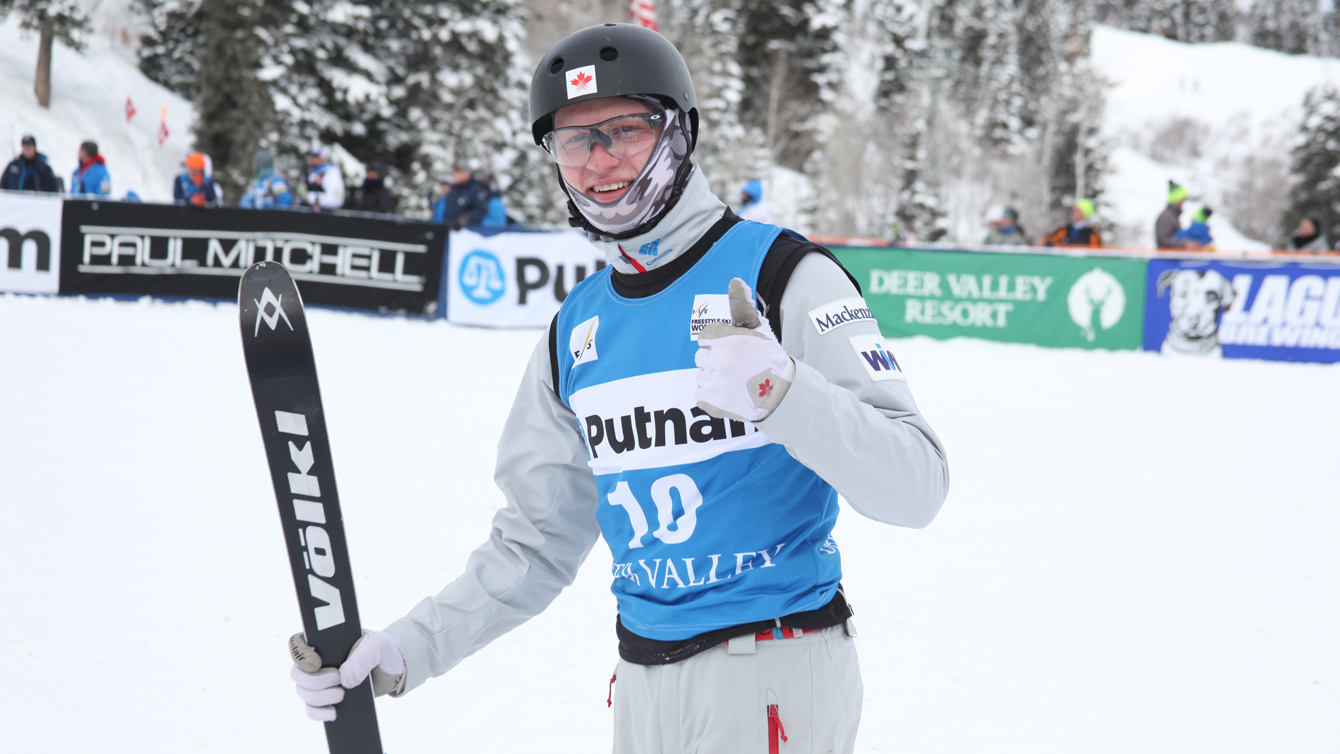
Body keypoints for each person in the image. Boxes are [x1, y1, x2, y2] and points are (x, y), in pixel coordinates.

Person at [286, 24, 949, 754]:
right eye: (574, 141)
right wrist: (408, 648)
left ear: (679, 132)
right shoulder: (575, 329)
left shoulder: (784, 275)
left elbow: (916, 488)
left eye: (625, 129)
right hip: (642, 685)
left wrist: (782, 392)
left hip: (774, 669)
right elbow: (536, 543)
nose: (599, 160)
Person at [431, 162, 489, 229]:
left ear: (467, 174)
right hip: (448, 230)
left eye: (458, 172)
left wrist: (466, 219)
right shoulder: (453, 190)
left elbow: (480, 210)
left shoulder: (474, 189)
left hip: (467, 231)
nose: (454, 174)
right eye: (454, 171)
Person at [304, 144, 345, 211]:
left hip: (325, 214)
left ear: (323, 158)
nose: (310, 158)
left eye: (314, 156)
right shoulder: (309, 172)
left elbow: (336, 200)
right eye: (310, 156)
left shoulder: (331, 173)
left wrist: (311, 198)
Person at [1155, 181, 1190, 249]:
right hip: (1166, 256)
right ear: (1177, 199)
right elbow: (1162, 240)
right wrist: (1184, 246)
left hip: (1169, 255)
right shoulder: (1167, 217)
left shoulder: (1172, 216)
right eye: (1183, 198)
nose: (1184, 202)